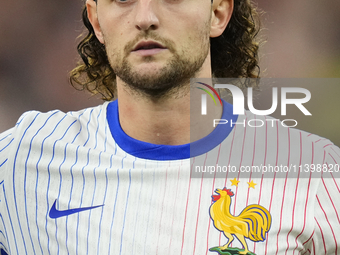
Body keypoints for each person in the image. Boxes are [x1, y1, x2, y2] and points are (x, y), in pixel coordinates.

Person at [0, 0, 339, 254]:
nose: (146, 18)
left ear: (217, 13)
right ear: (97, 21)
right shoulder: (21, 161)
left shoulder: (316, 173)